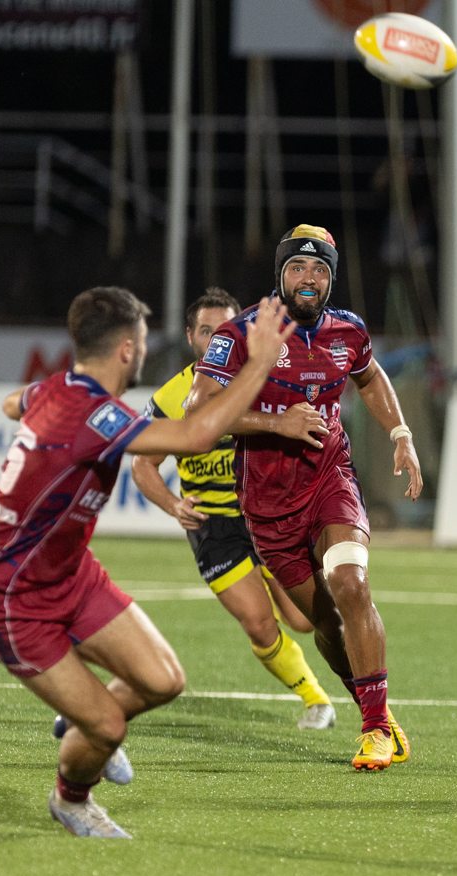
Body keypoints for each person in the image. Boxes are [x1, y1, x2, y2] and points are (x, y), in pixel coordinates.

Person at [0, 287, 293, 838]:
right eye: (142, 343)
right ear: (125, 350)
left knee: (164, 680)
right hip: (9, 598)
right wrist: (258, 363)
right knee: (109, 726)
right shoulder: (95, 416)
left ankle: (81, 716)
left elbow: (11, 404)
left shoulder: (58, 390)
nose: (145, 352)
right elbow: (195, 435)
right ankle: (72, 798)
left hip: (69, 574)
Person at [188, 225, 423, 772]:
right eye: (297, 267)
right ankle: (378, 714)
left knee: (351, 583)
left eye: (319, 269)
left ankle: (373, 728)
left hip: (329, 478)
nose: (308, 278)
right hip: (267, 503)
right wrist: (278, 422)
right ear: (281, 274)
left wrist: (401, 433)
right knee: (325, 625)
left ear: (331, 278)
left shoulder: (349, 331)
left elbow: (370, 378)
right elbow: (199, 412)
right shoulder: (243, 332)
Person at [131, 287, 335, 730]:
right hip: (214, 526)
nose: (215, 339)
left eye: (224, 328)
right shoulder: (172, 397)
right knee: (259, 624)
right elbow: (143, 465)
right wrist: (173, 505)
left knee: (304, 619)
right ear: (191, 336)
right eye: (206, 331)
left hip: (268, 514)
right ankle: (316, 700)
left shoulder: (268, 380)